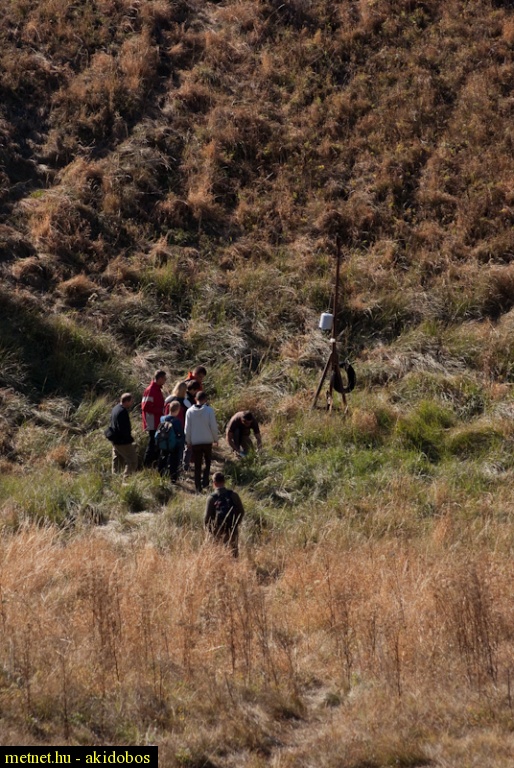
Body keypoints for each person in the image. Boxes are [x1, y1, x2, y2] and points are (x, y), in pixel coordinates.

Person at [184, 390, 218, 493]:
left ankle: (198, 486)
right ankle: (205, 482)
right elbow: (213, 426)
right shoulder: (209, 411)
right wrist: (215, 439)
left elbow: (187, 428)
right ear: (205, 399)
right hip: (207, 441)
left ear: (195, 399)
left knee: (197, 464)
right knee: (207, 462)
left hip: (195, 442)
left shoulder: (189, 411)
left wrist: (188, 441)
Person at [204, 472, 245, 558]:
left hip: (217, 531)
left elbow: (206, 518)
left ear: (214, 483)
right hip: (232, 529)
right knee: (233, 553)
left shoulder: (211, 498)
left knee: (217, 555)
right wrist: (236, 524)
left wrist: (210, 531)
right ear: (224, 482)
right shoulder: (234, 495)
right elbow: (241, 511)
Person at [105, 393, 138, 477]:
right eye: (131, 401)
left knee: (117, 460)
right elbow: (123, 428)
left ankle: (115, 478)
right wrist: (128, 439)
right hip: (122, 441)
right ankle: (126, 479)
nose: (132, 403)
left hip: (115, 439)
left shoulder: (115, 408)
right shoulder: (122, 411)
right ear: (126, 401)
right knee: (132, 460)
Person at [141, 370, 166, 467]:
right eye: (164, 378)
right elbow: (145, 407)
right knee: (152, 445)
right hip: (152, 422)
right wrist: (161, 410)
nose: (165, 380)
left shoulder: (156, 389)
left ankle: (153, 465)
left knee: (155, 445)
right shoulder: (151, 390)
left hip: (156, 421)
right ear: (160, 378)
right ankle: (146, 465)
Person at [156, 401, 185, 483]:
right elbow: (180, 434)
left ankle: (160, 476)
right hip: (174, 445)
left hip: (163, 443)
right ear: (178, 410)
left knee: (162, 459)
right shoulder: (177, 421)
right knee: (174, 462)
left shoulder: (162, 418)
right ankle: (173, 479)